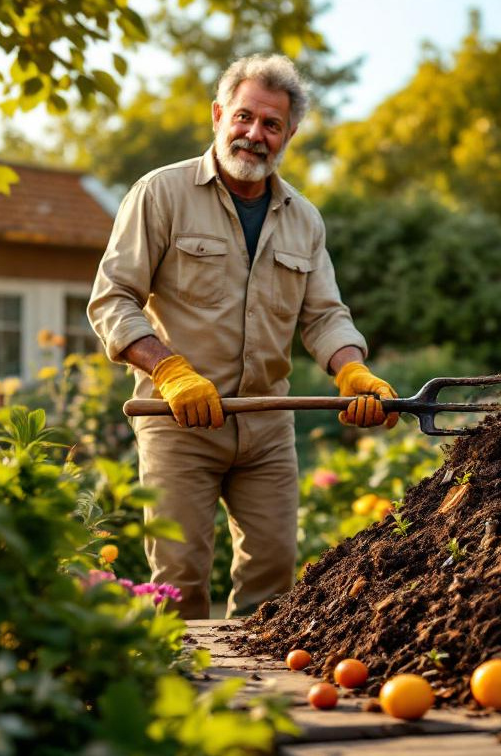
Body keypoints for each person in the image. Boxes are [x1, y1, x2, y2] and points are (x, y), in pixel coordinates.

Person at [87, 54, 398, 620]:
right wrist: (170, 371)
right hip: (178, 421)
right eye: (244, 117)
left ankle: (259, 705)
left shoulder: (304, 219)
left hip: (266, 427)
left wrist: (351, 370)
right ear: (217, 115)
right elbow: (112, 299)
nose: (255, 134)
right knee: (179, 583)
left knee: (274, 580)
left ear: (290, 134)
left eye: (271, 124)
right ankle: (186, 704)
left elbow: (325, 315)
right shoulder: (161, 194)